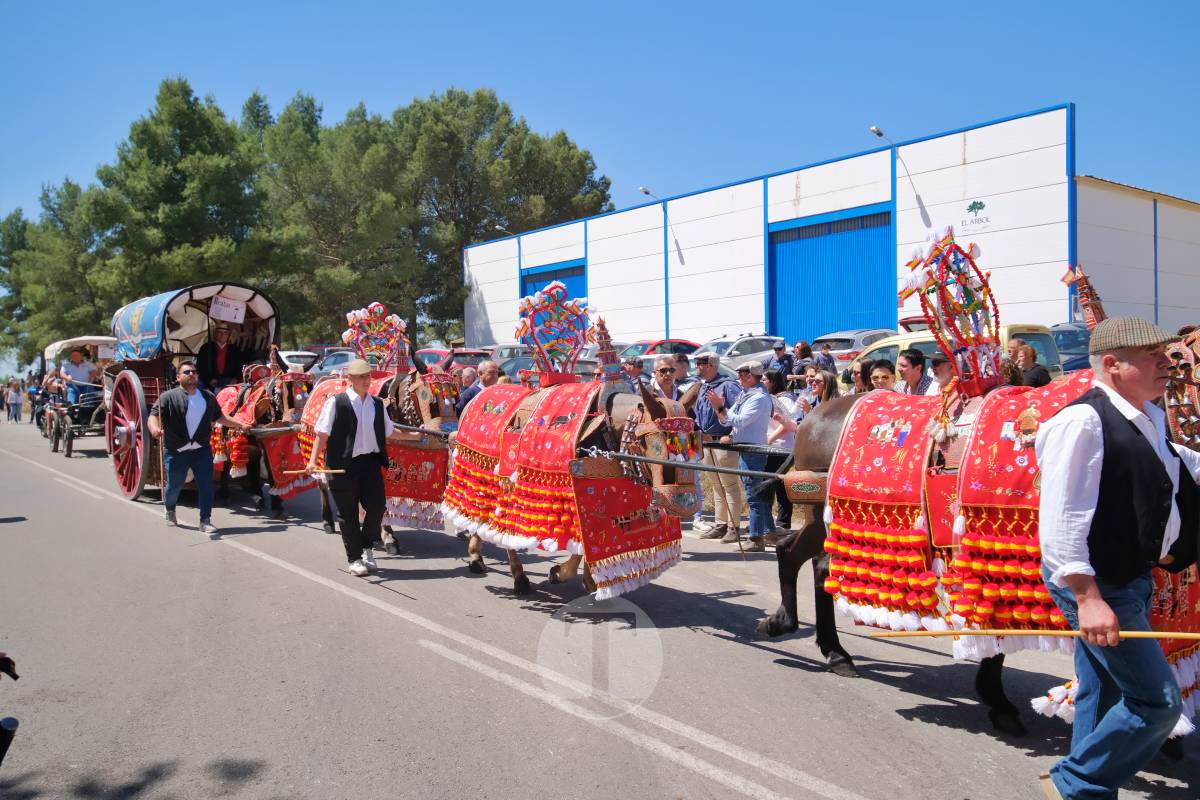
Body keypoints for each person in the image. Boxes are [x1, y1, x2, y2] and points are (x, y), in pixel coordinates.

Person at [1036, 316, 1198, 800]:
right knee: (1156, 702)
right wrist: (1088, 598)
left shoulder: (1148, 415)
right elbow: (1061, 523)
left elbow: (1174, 464)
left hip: (1128, 576)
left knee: (1101, 690)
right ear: (1112, 364)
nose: (1168, 364)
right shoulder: (1082, 421)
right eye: (1154, 356)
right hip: (1099, 581)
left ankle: (1086, 793)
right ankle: (1077, 782)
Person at [304, 358, 400, 577]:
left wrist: (416, 437)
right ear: (350, 379)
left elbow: (390, 432)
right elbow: (322, 434)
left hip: (370, 463)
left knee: (377, 508)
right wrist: (312, 461)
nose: (366, 380)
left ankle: (367, 548)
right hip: (342, 465)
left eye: (368, 376)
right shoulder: (336, 403)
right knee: (347, 515)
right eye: (361, 377)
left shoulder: (376, 404)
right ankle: (354, 558)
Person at [147, 359, 248, 536]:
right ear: (178, 377)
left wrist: (241, 424)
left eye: (194, 372)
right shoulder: (168, 397)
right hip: (176, 451)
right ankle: (170, 508)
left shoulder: (207, 396)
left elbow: (221, 418)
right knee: (174, 486)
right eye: (187, 372)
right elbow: (153, 416)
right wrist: (154, 429)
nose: (191, 374)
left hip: (201, 450)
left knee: (206, 485)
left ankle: (205, 520)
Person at [709, 360, 774, 551]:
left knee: (754, 495)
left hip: (752, 450)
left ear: (750, 376)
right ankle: (768, 532)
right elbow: (728, 422)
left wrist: (720, 407)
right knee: (757, 492)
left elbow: (738, 420)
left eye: (742, 374)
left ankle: (756, 538)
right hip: (745, 448)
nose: (739, 377)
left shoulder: (758, 398)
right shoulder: (746, 395)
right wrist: (720, 411)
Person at [693, 353, 745, 543]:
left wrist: (731, 435)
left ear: (712, 366)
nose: (697, 366)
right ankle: (721, 523)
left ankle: (734, 527)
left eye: (701, 363)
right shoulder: (704, 386)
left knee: (730, 485)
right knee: (717, 485)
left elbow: (738, 413)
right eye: (697, 363)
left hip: (724, 441)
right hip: (707, 442)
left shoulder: (729, 385)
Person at [764, 369, 800, 529]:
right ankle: (771, 521)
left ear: (772, 381)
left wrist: (770, 439)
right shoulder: (769, 398)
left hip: (781, 448)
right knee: (773, 483)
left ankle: (783, 522)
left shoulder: (785, 400)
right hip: (770, 447)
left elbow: (787, 425)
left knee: (779, 484)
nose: (762, 382)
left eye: (765, 379)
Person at [197, 325, 245, 390]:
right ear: (215, 334)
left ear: (228, 335)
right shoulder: (206, 348)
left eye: (225, 333)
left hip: (229, 381)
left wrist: (235, 379)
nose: (222, 335)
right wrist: (210, 379)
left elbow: (239, 366)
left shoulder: (234, 349)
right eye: (219, 332)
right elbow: (201, 366)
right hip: (209, 381)